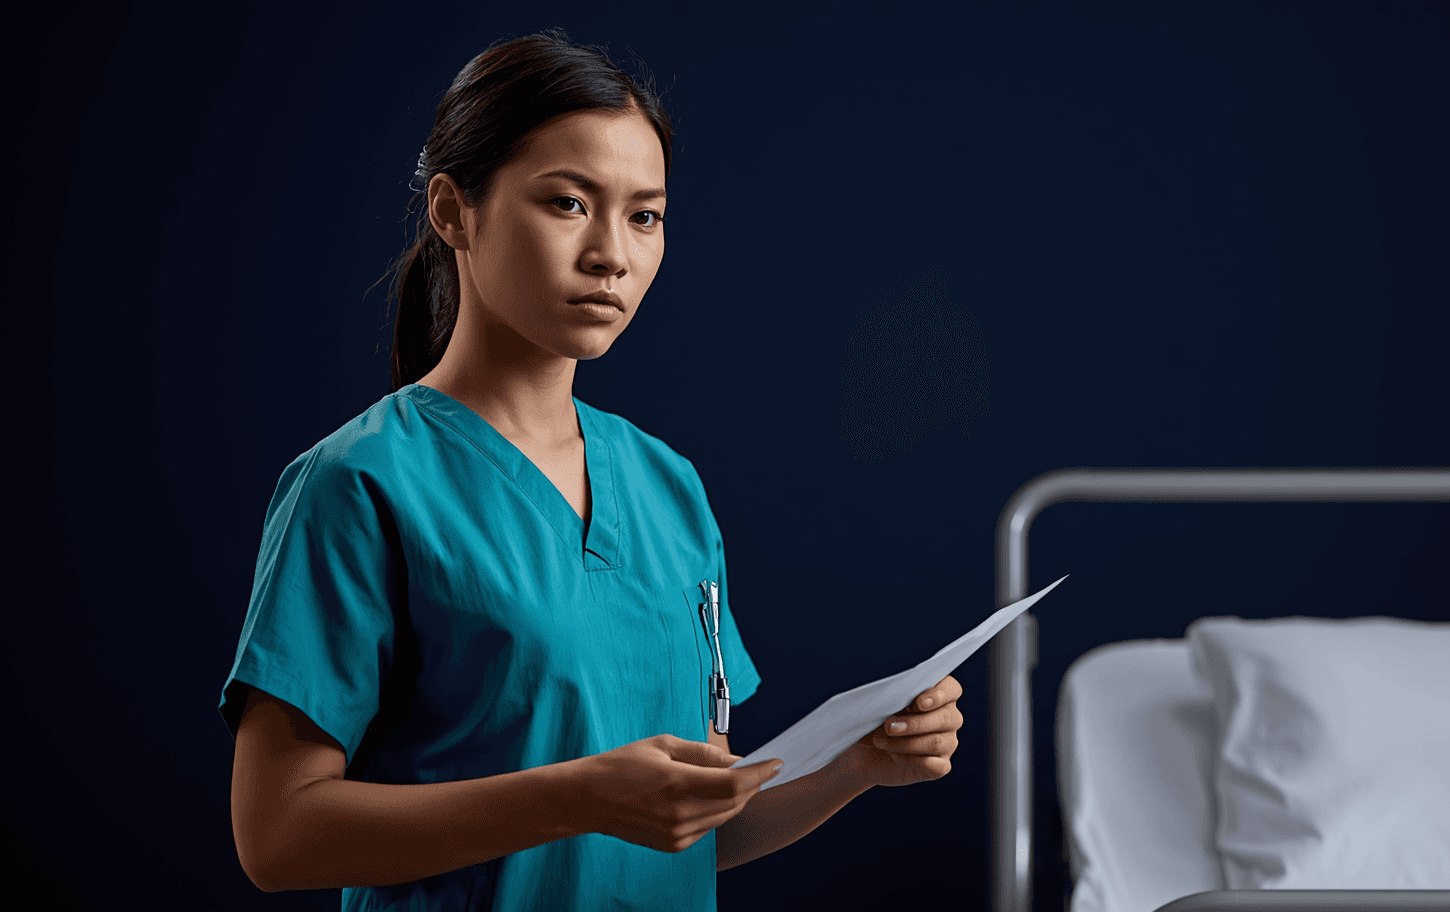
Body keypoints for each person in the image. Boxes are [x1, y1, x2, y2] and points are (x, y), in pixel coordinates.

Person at [220, 28, 964, 912]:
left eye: (644, 215)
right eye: (568, 203)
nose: (612, 252)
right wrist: (574, 795)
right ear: (455, 211)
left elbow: (688, 836)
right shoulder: (359, 486)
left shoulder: (667, 487)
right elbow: (278, 836)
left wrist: (857, 766)